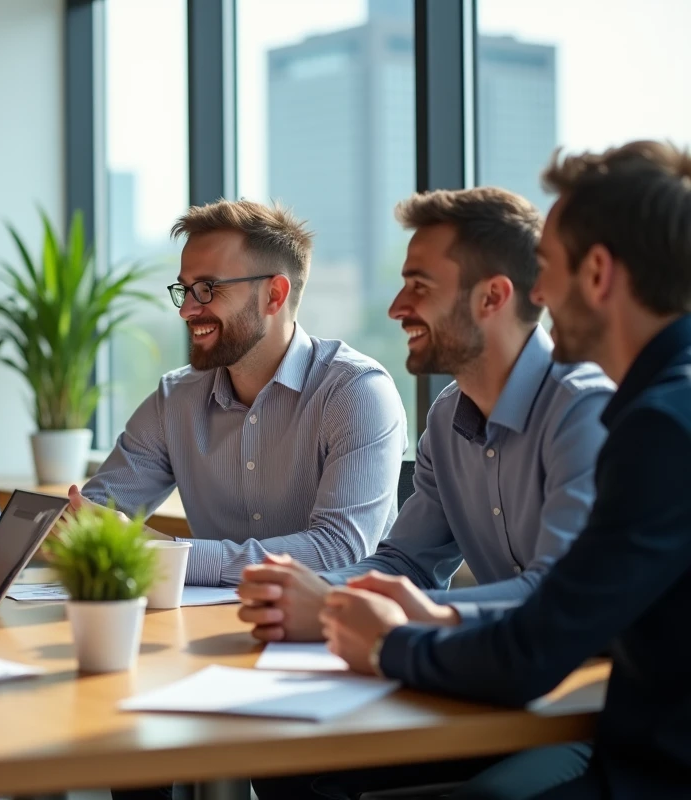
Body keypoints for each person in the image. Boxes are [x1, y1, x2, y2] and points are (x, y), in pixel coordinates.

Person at [322, 141, 691, 799]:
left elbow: (538, 645)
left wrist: (391, 643)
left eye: (547, 269)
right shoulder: (663, 407)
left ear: (599, 273)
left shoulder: (660, 428)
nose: (538, 294)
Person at [239, 187, 613, 798]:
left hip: (583, 704)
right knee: (293, 765)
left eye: (420, 285)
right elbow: (406, 562)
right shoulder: (447, 416)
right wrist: (306, 592)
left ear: (493, 296)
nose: (395, 307)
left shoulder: (583, 409)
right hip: (487, 686)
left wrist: (336, 609)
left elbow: (554, 592)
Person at [73, 199, 407, 588]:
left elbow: (339, 550)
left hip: (332, 636)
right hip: (207, 630)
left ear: (274, 296)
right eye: (185, 290)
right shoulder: (175, 400)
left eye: (207, 289)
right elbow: (94, 515)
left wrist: (162, 555)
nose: (186, 311)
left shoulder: (356, 393)